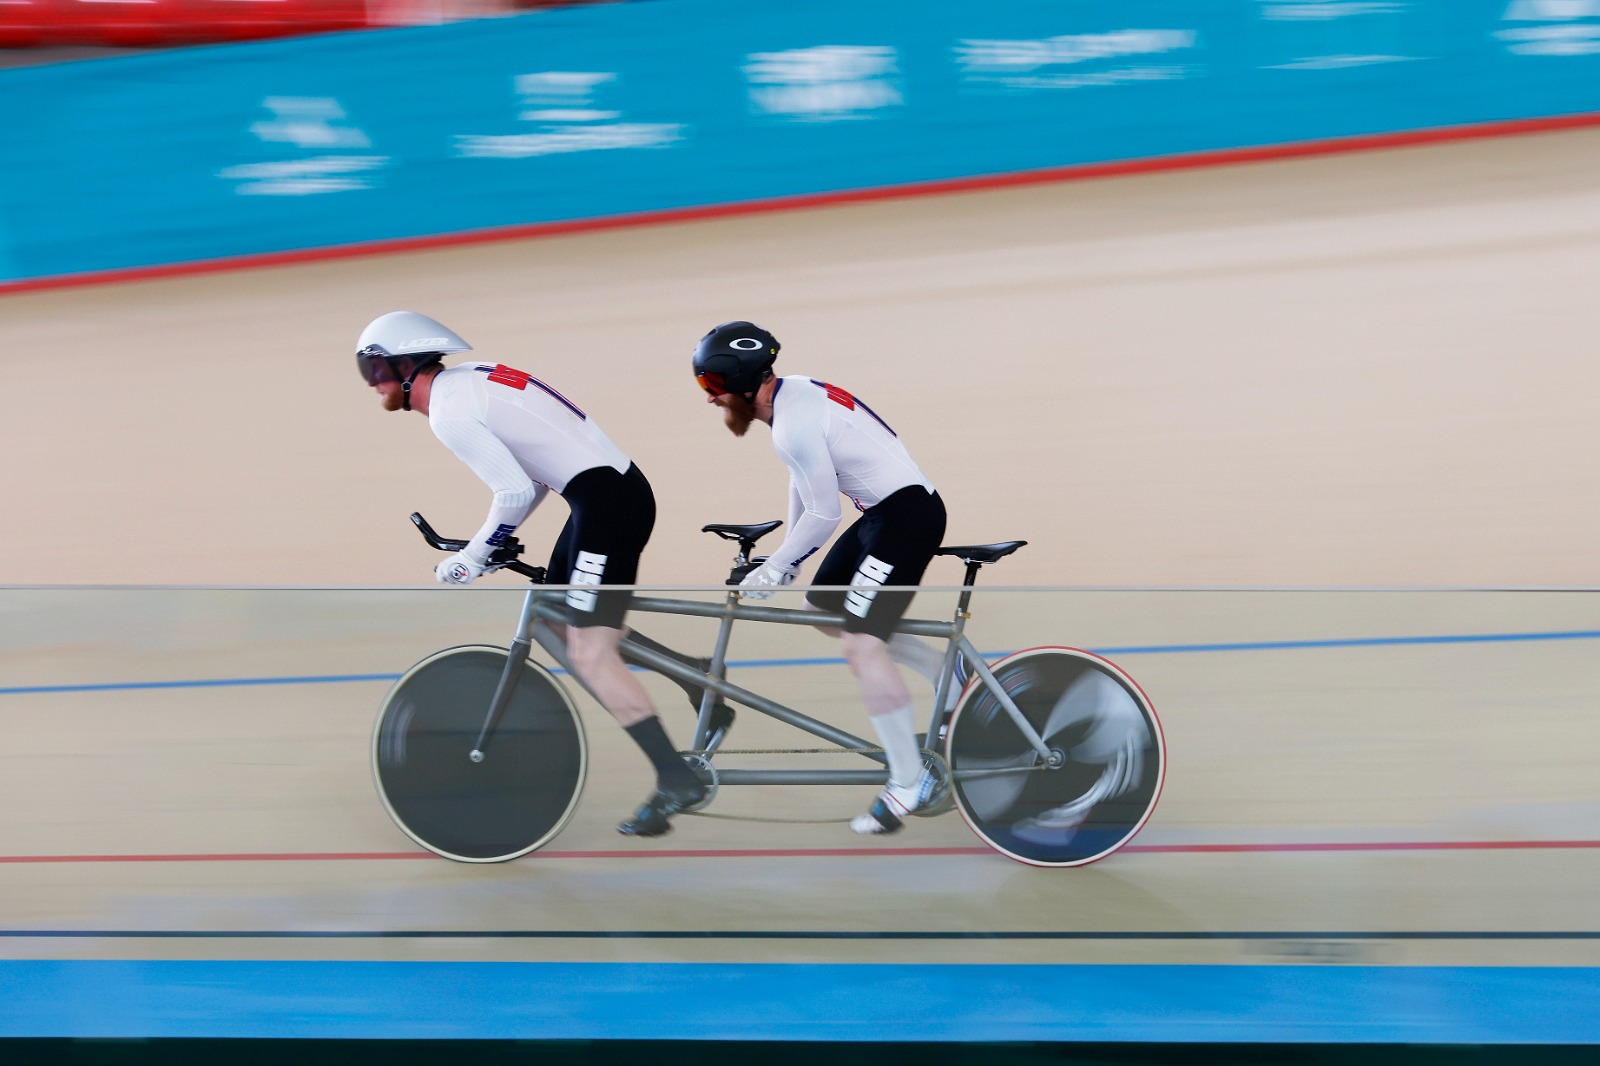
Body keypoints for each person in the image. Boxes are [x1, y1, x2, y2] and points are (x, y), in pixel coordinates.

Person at [357, 310, 726, 838]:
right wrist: (488, 544)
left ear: (406, 366)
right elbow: (531, 484)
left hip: (605, 506)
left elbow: (510, 493)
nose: (372, 386)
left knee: (588, 651)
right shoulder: (471, 378)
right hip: (602, 496)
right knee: (556, 616)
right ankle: (696, 674)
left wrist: (473, 557)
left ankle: (676, 779)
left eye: (375, 372)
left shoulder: (448, 414)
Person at [692, 321, 950, 835]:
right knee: (823, 611)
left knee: (861, 644)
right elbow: (804, 482)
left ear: (744, 383)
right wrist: (787, 557)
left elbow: (825, 514)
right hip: (884, 513)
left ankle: (908, 781)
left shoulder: (791, 422)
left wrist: (778, 565)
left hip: (906, 517)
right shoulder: (793, 395)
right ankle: (948, 674)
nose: (711, 400)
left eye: (713, 387)